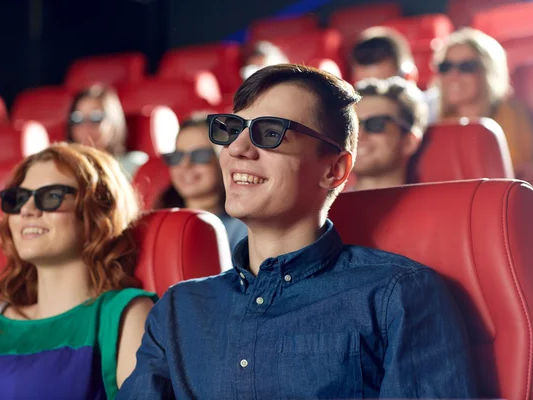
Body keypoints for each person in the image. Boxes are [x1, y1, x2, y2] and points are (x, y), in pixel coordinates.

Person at [118, 64, 477, 399]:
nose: (237, 150)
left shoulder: (397, 295)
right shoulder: (178, 309)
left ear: (333, 170)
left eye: (271, 133)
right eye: (231, 130)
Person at [0, 143, 156, 400]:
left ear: (97, 212)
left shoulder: (124, 315)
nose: (27, 210)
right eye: (18, 198)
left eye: (51, 196)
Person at [432, 27, 533, 173]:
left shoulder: (510, 113)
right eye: (446, 67)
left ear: (488, 72)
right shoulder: (431, 121)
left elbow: (514, 175)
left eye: (466, 67)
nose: (453, 75)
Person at [157, 114, 247, 252]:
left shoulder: (244, 231)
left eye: (200, 155)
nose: (185, 165)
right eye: (177, 156)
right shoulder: (155, 225)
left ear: (224, 161)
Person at [351, 76, 428, 191]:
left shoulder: (434, 207)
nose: (358, 135)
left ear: (409, 142)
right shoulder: (320, 207)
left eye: (376, 124)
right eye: (353, 125)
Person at [67, 84, 148, 179]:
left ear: (113, 121)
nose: (86, 127)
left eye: (96, 118)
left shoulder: (134, 164)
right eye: (77, 119)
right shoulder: (64, 168)